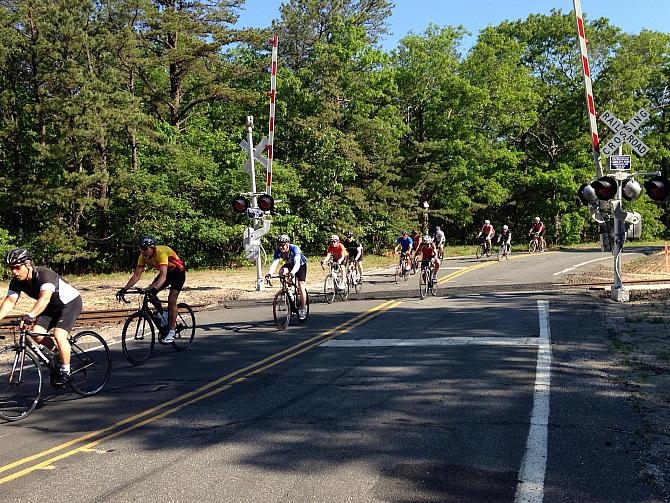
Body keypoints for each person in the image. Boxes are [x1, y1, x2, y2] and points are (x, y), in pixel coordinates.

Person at [0, 248, 82, 384]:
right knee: (36, 334)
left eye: (16, 267)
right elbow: (9, 301)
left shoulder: (44, 274)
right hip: (50, 308)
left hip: (69, 303)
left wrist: (30, 315)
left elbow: (44, 298)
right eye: (11, 268)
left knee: (59, 334)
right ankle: (57, 352)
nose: (14, 272)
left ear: (27, 264)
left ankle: (66, 371)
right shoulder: (16, 281)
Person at [116, 234, 186, 344]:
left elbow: (163, 276)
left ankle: (172, 331)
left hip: (177, 273)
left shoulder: (161, 253)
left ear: (152, 247)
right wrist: (124, 289)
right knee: (149, 292)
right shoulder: (143, 256)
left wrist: (155, 289)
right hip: (166, 274)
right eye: (141, 249)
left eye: (145, 249)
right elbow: (136, 275)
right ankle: (164, 316)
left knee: (171, 300)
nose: (143, 251)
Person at [266, 235, 308, 319]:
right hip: (290, 264)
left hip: (300, 265)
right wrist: (269, 273)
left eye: (283, 245)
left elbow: (297, 264)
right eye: (279, 245)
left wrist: (292, 273)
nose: (281, 247)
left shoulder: (295, 249)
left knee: (300, 285)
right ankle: (288, 291)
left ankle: (303, 308)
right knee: (281, 272)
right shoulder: (278, 251)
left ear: (288, 244)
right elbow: (275, 263)